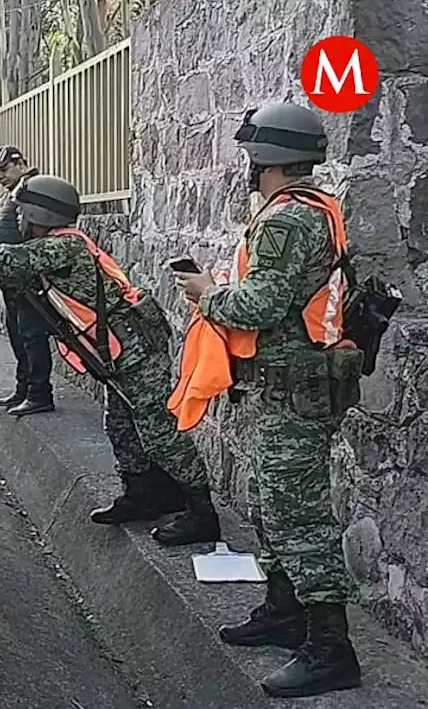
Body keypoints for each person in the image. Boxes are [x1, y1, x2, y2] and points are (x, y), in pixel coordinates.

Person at [0, 174, 219, 546]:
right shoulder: (57, 245)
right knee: (121, 425)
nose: (18, 219)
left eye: (22, 211)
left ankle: (202, 513)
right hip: (123, 349)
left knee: (158, 431)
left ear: (38, 213)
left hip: (136, 351)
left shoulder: (60, 248)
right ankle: (144, 495)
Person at [174, 102, 363, 698]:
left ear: (267, 159)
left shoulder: (285, 220)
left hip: (293, 392)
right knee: (272, 504)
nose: (247, 167)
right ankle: (285, 612)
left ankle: (332, 649)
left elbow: (260, 307)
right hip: (295, 385)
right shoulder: (319, 208)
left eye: (252, 156)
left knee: (297, 518)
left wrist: (207, 293)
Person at [0, 145, 55, 415]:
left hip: (26, 277)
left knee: (31, 335)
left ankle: (39, 393)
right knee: (17, 333)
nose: (1, 176)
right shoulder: (16, 192)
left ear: (20, 162)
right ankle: (24, 388)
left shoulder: (35, 189)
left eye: (4, 169)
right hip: (11, 276)